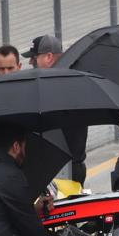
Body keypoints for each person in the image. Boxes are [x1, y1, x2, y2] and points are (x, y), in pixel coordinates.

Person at [23, 35, 87, 183]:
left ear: (49, 57)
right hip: (70, 166)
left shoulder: (58, 85)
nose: (31, 62)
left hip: (62, 170)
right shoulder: (72, 79)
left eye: (34, 57)